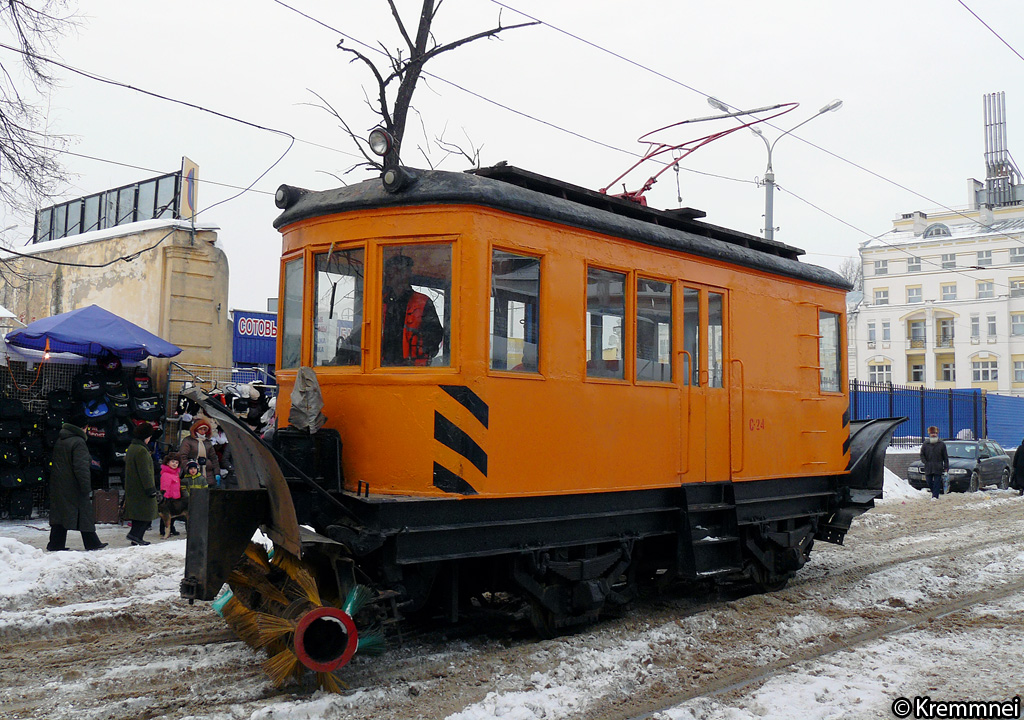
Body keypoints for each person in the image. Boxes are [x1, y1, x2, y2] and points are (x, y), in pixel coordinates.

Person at [47, 421, 108, 552]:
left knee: (60, 513)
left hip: (60, 483)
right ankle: (92, 543)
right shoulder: (78, 442)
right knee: (84, 513)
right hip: (75, 486)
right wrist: (86, 486)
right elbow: (81, 468)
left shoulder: (61, 439)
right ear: (84, 427)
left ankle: (55, 543)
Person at [381, 254, 443, 366]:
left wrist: (420, 352)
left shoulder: (423, 302)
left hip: (412, 370)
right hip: (382, 368)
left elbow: (435, 335)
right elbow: (363, 332)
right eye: (390, 273)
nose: (391, 276)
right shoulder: (380, 303)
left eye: (398, 271)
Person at [124, 422, 159, 546]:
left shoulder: (133, 448)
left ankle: (136, 537)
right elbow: (145, 473)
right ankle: (135, 535)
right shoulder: (142, 451)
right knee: (147, 513)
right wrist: (151, 488)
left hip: (133, 487)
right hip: (142, 488)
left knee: (138, 514)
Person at [177, 418, 221, 487]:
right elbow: (182, 456)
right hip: (192, 472)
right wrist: (189, 468)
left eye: (205, 429)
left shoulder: (207, 442)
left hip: (207, 473)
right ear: (195, 429)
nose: (203, 431)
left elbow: (214, 458)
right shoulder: (188, 440)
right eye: (201, 429)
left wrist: (217, 473)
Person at [158, 453, 187, 537]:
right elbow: (164, 487)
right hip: (168, 498)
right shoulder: (166, 474)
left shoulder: (175, 474)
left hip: (175, 497)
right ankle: (163, 530)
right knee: (165, 515)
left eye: (176, 462)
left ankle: (171, 528)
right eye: (173, 462)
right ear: (167, 463)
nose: (174, 464)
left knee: (172, 515)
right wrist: (165, 497)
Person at [920, 425, 949, 500]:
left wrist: (946, 467)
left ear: (937, 434)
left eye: (935, 433)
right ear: (929, 434)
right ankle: (934, 492)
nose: (933, 434)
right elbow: (922, 454)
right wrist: (925, 462)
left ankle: (935, 496)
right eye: (932, 433)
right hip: (928, 466)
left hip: (938, 466)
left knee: (937, 482)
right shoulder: (925, 444)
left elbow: (945, 457)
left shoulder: (941, 444)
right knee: (929, 481)